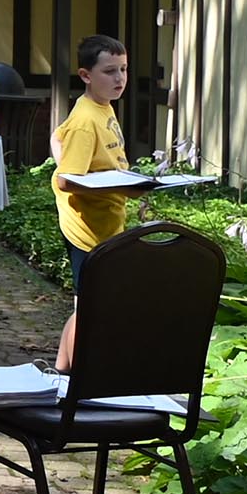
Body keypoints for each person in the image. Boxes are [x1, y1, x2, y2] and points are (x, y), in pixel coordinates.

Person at [51, 34, 142, 373]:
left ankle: (61, 370)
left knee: (87, 303)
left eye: (124, 69)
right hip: (85, 229)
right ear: (86, 75)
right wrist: (122, 185)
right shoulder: (86, 121)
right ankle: (79, 381)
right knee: (90, 306)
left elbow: (58, 136)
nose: (119, 78)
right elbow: (66, 179)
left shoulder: (101, 107)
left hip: (106, 222)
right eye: (109, 71)